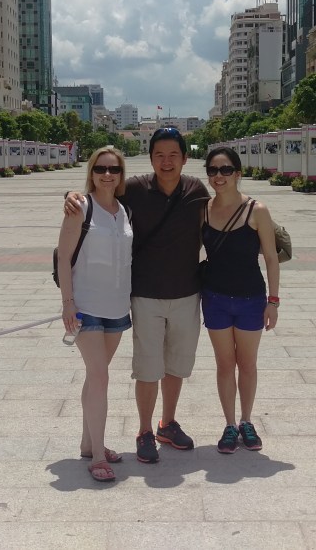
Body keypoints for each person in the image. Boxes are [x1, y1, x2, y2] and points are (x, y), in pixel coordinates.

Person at [65, 128, 210, 464]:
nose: (166, 161)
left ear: (185, 158)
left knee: (177, 365)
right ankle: (144, 430)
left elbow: (220, 215)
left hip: (187, 293)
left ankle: (167, 424)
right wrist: (71, 194)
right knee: (147, 367)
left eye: (173, 155)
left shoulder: (196, 190)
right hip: (144, 295)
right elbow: (99, 192)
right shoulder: (134, 189)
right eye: (159, 155)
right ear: (150, 158)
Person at [57, 146, 134, 483]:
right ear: (91, 172)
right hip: (86, 307)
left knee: (95, 376)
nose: (107, 174)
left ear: (121, 175)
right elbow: (64, 257)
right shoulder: (80, 207)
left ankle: (88, 443)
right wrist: (68, 303)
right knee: (100, 377)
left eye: (113, 169)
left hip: (117, 307)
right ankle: (99, 456)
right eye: (100, 168)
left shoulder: (125, 210)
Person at [199, 147, 280, 453]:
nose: (219, 176)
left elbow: (271, 258)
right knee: (224, 365)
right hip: (215, 298)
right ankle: (230, 425)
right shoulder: (203, 210)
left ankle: (247, 420)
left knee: (247, 364)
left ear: (238, 174)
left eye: (226, 170)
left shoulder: (257, 210)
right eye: (213, 170)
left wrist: (273, 301)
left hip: (250, 298)